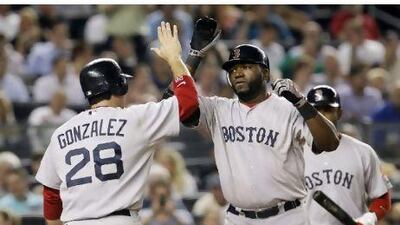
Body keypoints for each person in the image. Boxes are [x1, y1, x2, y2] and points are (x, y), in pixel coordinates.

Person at [35, 22, 199, 225]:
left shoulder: (61, 133)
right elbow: (189, 103)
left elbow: (51, 194)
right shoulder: (135, 118)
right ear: (120, 86)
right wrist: (175, 59)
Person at [186, 43, 340, 225]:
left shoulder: (288, 108)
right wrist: (194, 56)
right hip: (237, 218)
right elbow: (181, 105)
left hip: (287, 217)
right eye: (233, 69)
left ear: (266, 73)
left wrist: (301, 103)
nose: (238, 73)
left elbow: (330, 143)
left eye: (247, 66)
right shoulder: (218, 109)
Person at [304, 85, 392, 225]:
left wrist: (369, 218)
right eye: (315, 110)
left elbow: (382, 198)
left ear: (339, 113)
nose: (320, 116)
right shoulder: (294, 153)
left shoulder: (363, 151)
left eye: (327, 110)